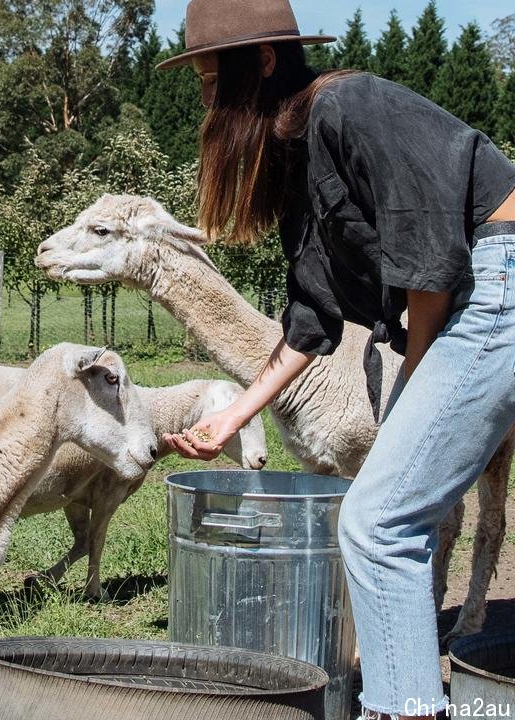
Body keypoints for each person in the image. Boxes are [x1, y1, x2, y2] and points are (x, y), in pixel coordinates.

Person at [156, 1, 515, 718]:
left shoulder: (347, 105)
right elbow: (313, 314)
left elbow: (431, 262)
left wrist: (409, 384)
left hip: (497, 275)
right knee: (384, 518)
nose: (204, 101)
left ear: (261, 62)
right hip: (474, 288)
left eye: (209, 80)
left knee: (378, 521)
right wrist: (233, 414)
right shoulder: (297, 151)